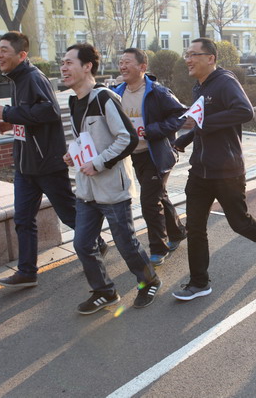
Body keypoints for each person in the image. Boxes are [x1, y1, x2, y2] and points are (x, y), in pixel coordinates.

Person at [0, 31, 105, 289]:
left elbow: (50, 111)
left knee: (68, 214)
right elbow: (32, 117)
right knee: (23, 219)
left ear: (21, 54)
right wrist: (10, 123)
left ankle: (96, 242)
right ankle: (27, 272)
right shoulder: (16, 79)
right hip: (25, 165)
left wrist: (10, 111)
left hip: (46, 164)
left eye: (4, 50)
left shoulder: (33, 77)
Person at [172, 38, 256, 302]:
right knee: (195, 227)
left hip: (227, 170)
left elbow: (245, 111)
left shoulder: (225, 81)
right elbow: (200, 123)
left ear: (211, 58)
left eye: (193, 54)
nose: (188, 59)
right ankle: (199, 282)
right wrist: (183, 140)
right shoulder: (199, 87)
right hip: (200, 171)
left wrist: (206, 123)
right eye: (187, 54)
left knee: (239, 222)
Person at [61, 43, 161, 314]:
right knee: (82, 244)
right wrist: (74, 155)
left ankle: (148, 280)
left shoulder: (104, 98)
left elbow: (127, 138)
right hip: (86, 189)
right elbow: (87, 140)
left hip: (111, 187)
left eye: (69, 62)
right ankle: (105, 292)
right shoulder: (74, 102)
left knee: (126, 242)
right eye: (63, 62)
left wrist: (98, 162)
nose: (63, 67)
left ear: (87, 66)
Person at [112, 48, 187, 266]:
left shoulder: (157, 92)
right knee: (159, 195)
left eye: (127, 62)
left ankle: (158, 247)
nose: (122, 66)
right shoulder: (116, 92)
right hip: (133, 155)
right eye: (121, 62)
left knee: (149, 202)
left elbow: (181, 115)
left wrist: (153, 129)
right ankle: (178, 232)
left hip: (156, 154)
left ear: (142, 67)